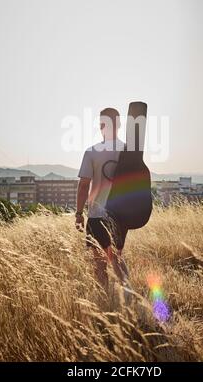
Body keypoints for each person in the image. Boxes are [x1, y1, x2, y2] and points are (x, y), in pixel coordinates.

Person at [75, 107, 129, 290]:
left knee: (99, 264)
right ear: (119, 125)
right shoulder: (128, 151)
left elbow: (83, 185)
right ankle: (128, 296)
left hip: (97, 215)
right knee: (116, 258)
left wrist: (78, 214)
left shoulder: (92, 152)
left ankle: (104, 300)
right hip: (120, 216)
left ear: (101, 126)